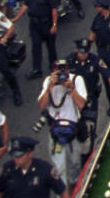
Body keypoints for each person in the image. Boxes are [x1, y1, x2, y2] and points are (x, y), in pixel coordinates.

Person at [36, 59, 87, 188]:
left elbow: (81, 105)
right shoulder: (48, 81)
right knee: (59, 167)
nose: (61, 74)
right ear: (53, 72)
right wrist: (49, 89)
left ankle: (74, 185)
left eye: (64, 70)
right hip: (56, 130)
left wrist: (71, 88)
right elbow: (42, 106)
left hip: (73, 129)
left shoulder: (77, 80)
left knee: (75, 161)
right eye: (58, 71)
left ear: (68, 70)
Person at [12, 0, 58, 82]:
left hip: (46, 23)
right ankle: (37, 69)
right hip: (34, 24)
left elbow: (54, 9)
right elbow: (25, 5)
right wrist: (16, 18)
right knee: (35, 47)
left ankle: (54, 68)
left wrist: (54, 25)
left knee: (51, 47)